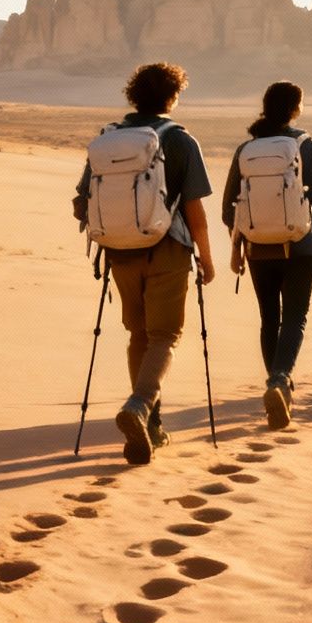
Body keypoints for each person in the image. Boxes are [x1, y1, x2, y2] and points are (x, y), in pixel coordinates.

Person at [73, 62, 217, 464]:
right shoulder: (180, 140)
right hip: (167, 248)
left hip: (119, 252)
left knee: (138, 333)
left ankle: (151, 427)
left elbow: (83, 202)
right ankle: (139, 406)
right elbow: (195, 211)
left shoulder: (108, 139)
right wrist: (206, 259)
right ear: (173, 97)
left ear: (133, 95)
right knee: (165, 335)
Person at [222, 81, 312, 429]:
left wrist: (238, 247)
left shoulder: (247, 149)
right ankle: (280, 379)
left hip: (258, 249)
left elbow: (231, 210)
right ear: (296, 108)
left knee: (269, 317)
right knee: (295, 317)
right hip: (301, 246)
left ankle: (276, 381)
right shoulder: (307, 146)